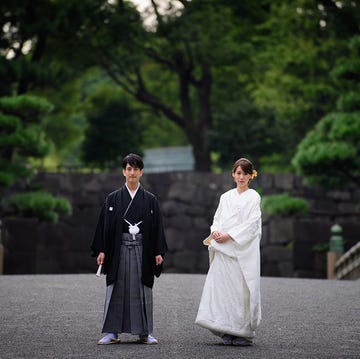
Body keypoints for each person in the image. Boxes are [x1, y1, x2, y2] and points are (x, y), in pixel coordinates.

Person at [91, 153, 168, 345]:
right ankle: (111, 332)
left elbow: (158, 227)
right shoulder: (113, 199)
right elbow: (104, 226)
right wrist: (101, 250)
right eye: (128, 169)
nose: (132, 172)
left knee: (142, 289)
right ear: (123, 172)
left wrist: (158, 251)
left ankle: (144, 333)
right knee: (116, 288)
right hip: (119, 250)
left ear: (141, 172)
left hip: (143, 250)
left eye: (135, 169)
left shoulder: (150, 200)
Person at [195, 158, 262, 346]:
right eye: (238, 173)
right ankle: (225, 328)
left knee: (241, 291)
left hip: (240, 250)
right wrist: (216, 231)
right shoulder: (226, 197)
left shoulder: (254, 197)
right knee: (222, 290)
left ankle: (242, 332)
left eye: (245, 173)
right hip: (223, 249)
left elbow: (252, 224)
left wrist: (230, 235)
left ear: (251, 175)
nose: (241, 177)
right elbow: (218, 218)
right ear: (233, 174)